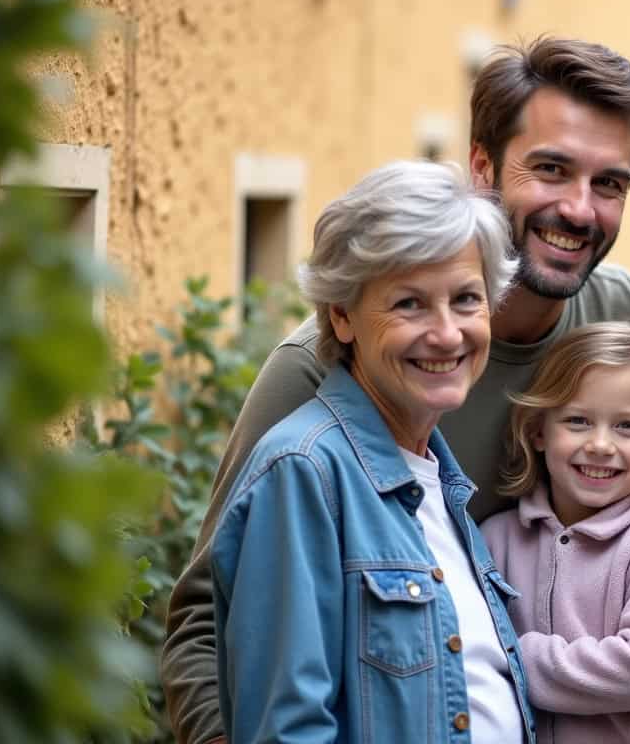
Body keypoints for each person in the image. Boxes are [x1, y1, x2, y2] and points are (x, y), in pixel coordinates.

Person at [163, 36, 630, 744]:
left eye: (608, 183)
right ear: (482, 167)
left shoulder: (626, 329)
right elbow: (207, 621)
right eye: (551, 169)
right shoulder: (325, 376)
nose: (579, 210)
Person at [212, 160, 530, 741]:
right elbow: (288, 729)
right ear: (342, 315)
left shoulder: (438, 478)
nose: (446, 333)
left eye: (465, 299)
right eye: (409, 303)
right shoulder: (304, 474)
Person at [481, 321, 630, 744]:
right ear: (538, 431)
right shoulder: (495, 539)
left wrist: (509, 653)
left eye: (628, 427)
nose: (601, 444)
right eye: (578, 421)